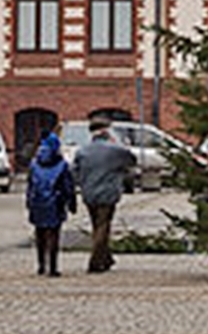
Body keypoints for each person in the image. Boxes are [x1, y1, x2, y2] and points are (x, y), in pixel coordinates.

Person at [71, 114, 134, 273]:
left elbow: (75, 172)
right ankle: (95, 262)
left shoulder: (82, 151)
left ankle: (106, 258)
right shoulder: (115, 150)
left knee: (96, 226)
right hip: (108, 193)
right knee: (103, 226)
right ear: (107, 131)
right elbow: (131, 160)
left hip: (89, 193)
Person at [25, 131, 76, 277]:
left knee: (39, 233)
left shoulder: (34, 164)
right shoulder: (61, 164)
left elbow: (30, 185)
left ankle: (41, 265)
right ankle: (52, 267)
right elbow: (67, 186)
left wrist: (29, 202)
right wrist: (71, 202)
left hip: (37, 201)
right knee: (53, 234)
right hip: (55, 202)